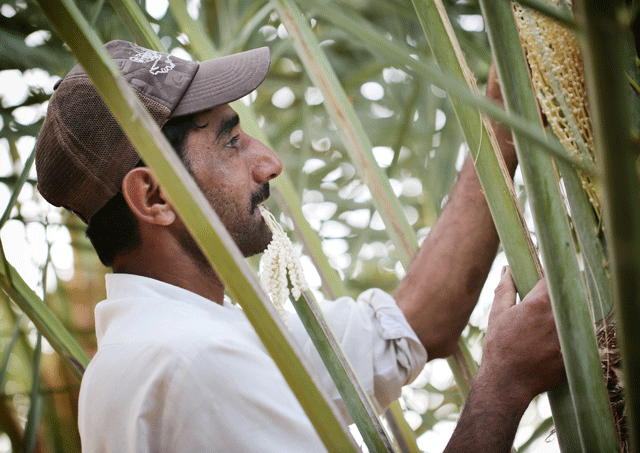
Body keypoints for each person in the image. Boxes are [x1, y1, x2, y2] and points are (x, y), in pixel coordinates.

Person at [34, 40, 564, 452]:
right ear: (153, 196)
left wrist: (500, 133)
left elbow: (416, 324)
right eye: (230, 141)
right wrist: (504, 383)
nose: (268, 163)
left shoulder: (191, 338)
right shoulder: (194, 360)